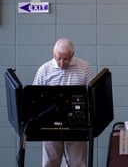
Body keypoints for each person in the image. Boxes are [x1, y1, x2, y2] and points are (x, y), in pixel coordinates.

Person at [33, 38, 96, 167]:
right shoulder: (44, 70)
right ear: (53, 54)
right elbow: (35, 99)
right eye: (58, 58)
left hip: (77, 123)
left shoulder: (84, 68)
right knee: (50, 162)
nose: (61, 63)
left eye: (65, 59)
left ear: (72, 55)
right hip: (50, 123)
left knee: (78, 163)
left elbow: (94, 95)